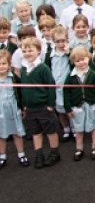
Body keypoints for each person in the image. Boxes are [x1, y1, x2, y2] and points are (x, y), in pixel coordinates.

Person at [19, 37, 62, 168]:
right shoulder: (23, 68)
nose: (27, 53)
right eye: (24, 51)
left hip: (43, 106)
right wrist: (24, 105)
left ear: (38, 51)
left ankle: (55, 153)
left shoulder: (42, 68)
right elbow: (23, 89)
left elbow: (50, 86)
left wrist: (50, 104)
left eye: (30, 50)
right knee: (35, 132)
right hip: (30, 108)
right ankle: (39, 154)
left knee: (50, 130)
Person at [64, 45, 95, 161]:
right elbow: (66, 92)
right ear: (73, 62)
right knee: (78, 128)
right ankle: (79, 148)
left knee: (94, 126)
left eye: (83, 59)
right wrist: (67, 108)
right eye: (78, 61)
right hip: (77, 106)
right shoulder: (71, 77)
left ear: (88, 58)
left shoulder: (93, 75)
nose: (81, 62)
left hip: (92, 105)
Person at [0, 48, 27, 168]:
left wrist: (22, 108)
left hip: (13, 108)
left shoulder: (14, 78)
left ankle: (21, 154)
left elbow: (20, 94)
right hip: (0, 110)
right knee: (1, 134)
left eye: (3, 63)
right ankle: (2, 156)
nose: (1, 66)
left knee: (17, 133)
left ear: (9, 64)